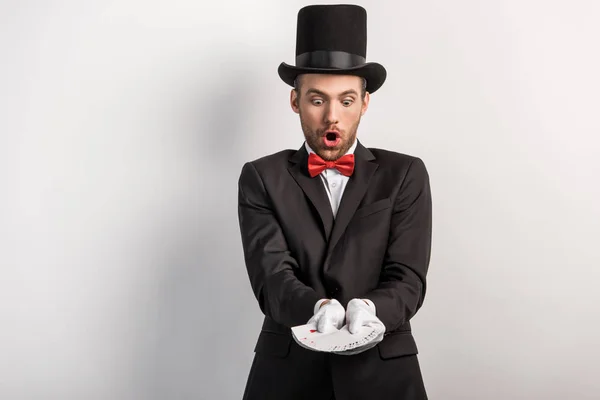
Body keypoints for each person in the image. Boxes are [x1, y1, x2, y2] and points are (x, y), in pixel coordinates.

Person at [237, 5, 432, 400]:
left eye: (346, 101)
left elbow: (408, 278)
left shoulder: (405, 173)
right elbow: (271, 276)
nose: (332, 117)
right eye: (316, 100)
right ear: (295, 102)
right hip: (287, 375)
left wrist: (371, 309)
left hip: (384, 374)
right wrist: (316, 306)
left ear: (364, 103)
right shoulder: (261, 177)